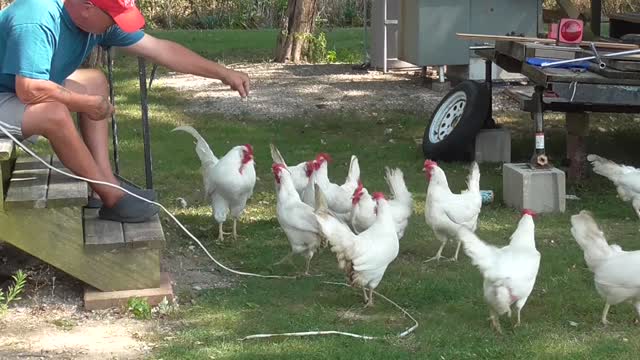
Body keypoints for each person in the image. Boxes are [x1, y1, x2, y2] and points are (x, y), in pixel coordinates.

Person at [0, 0, 250, 223]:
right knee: (53, 113)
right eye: (113, 18)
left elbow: (161, 49)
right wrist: (85, 104)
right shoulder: (37, 16)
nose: (116, 25)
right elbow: (29, 90)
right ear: (87, 8)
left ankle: (105, 183)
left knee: (95, 82)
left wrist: (223, 73)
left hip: (11, 91)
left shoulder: (95, 21)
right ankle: (113, 199)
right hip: (12, 94)